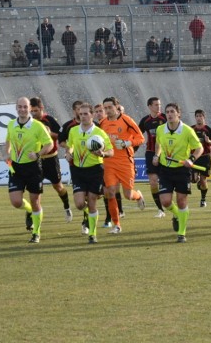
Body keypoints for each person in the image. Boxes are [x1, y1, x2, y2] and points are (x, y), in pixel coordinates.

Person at [4, 97, 54, 243]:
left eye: (25, 107)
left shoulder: (37, 126)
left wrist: (38, 154)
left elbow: (49, 144)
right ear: (16, 108)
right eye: (19, 107)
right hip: (16, 168)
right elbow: (7, 140)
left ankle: (36, 233)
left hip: (33, 168)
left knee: (35, 201)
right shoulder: (11, 124)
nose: (22, 109)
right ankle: (29, 211)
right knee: (16, 202)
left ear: (30, 108)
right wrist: (7, 153)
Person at [153, 103, 203, 243]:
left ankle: (182, 233)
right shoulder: (160, 129)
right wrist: (157, 155)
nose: (169, 114)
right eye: (167, 112)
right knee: (166, 201)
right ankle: (176, 215)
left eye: (172, 112)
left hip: (182, 170)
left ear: (178, 114)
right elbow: (158, 144)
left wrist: (191, 159)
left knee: (181, 201)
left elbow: (199, 148)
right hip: (165, 170)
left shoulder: (187, 130)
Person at [65, 103, 113, 245]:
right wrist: (68, 154)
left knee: (92, 199)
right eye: (81, 114)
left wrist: (103, 153)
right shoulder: (73, 131)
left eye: (86, 114)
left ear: (92, 115)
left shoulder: (99, 133)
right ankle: (88, 215)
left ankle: (92, 234)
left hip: (95, 170)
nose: (83, 116)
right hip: (78, 170)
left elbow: (111, 151)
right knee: (80, 204)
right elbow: (69, 146)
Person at [98, 97, 145, 234]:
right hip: (109, 163)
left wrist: (127, 143)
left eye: (109, 107)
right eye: (105, 108)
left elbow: (140, 138)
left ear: (116, 106)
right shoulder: (102, 123)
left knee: (128, 195)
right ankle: (116, 225)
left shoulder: (126, 120)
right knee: (110, 192)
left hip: (125, 162)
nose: (107, 110)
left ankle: (138, 196)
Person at [29, 97, 73, 223]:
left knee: (58, 186)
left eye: (35, 111)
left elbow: (61, 136)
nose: (33, 114)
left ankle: (67, 207)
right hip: (36, 160)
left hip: (51, 159)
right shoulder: (29, 122)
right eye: (31, 111)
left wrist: (49, 134)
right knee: (36, 190)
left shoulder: (50, 120)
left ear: (42, 108)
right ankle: (33, 216)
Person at [138, 97, 168, 217]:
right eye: (156, 105)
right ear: (149, 106)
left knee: (166, 181)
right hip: (150, 152)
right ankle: (160, 209)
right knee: (153, 182)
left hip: (166, 153)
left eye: (159, 104)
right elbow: (138, 135)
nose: (158, 106)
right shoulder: (145, 120)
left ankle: (169, 203)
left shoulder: (165, 118)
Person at [191, 110, 211, 207]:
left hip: (205, 158)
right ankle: (197, 179)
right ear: (195, 117)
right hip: (194, 157)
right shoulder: (191, 129)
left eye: (200, 116)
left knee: (203, 180)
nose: (199, 118)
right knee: (193, 180)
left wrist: (209, 141)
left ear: (204, 117)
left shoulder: (208, 129)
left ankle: (203, 199)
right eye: (197, 116)